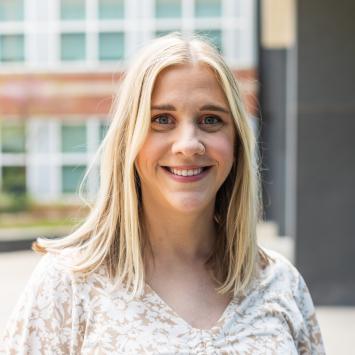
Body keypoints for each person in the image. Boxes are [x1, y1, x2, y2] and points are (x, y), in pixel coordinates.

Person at [1, 33, 325, 354]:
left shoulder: (281, 283)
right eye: (162, 120)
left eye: (211, 120)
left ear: (237, 142)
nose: (188, 144)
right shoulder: (68, 284)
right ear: (129, 140)